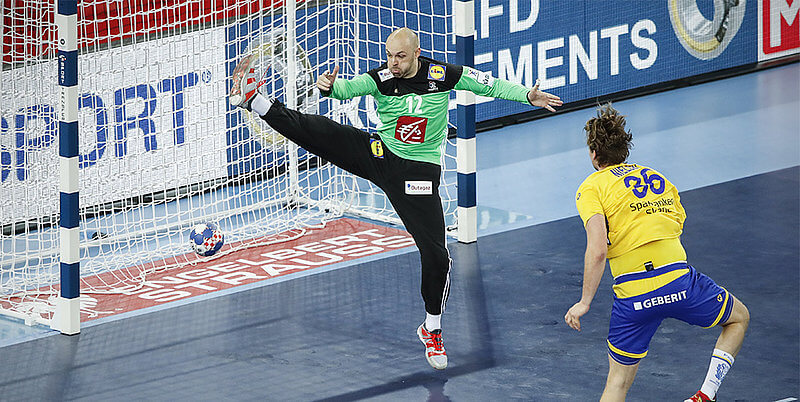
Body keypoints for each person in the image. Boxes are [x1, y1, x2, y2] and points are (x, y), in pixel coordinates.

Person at [229, 28, 563, 370]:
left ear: (417, 53)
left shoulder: (443, 75)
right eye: (389, 56)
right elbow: (347, 89)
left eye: (400, 56)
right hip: (379, 154)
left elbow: (488, 84)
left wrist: (528, 96)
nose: (393, 63)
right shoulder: (382, 78)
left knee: (437, 255)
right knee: (318, 131)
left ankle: (432, 328)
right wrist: (329, 87)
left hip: (417, 174)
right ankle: (256, 100)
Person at [564, 104, 750, 401]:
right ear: (625, 148)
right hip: (679, 283)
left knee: (617, 382)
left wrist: (584, 302)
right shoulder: (658, 178)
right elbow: (675, 224)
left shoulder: (591, 188)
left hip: (634, 296)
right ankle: (706, 395)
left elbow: (597, 250)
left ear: (594, 153)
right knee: (739, 318)